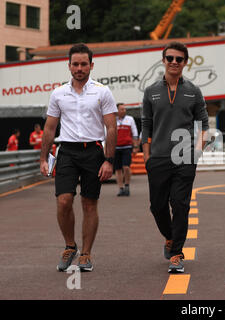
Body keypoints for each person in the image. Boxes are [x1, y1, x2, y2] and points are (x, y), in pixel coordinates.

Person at [39, 43, 117, 272]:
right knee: (63, 201)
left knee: (89, 203)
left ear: (91, 65)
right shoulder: (58, 93)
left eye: (84, 64)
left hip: (93, 151)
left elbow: (111, 128)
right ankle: (70, 246)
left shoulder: (102, 91)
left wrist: (108, 160)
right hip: (67, 152)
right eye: (75, 64)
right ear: (69, 65)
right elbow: (49, 129)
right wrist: (44, 158)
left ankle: (86, 254)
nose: (79, 68)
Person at [141, 41, 209, 273]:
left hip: (185, 158)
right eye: (170, 58)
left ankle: (177, 254)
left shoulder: (193, 91)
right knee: (157, 207)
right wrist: (147, 156)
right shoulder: (151, 92)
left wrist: (196, 153)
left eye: (179, 59)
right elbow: (146, 127)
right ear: (163, 61)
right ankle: (170, 238)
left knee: (180, 205)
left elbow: (204, 127)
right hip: (158, 158)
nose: (174, 62)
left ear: (185, 63)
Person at [114, 103, 139, 196]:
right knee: (118, 169)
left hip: (127, 147)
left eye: (124, 109)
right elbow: (107, 134)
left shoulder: (130, 119)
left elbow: (135, 133)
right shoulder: (112, 120)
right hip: (115, 147)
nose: (124, 110)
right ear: (117, 111)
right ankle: (121, 188)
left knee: (126, 167)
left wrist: (136, 146)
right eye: (122, 109)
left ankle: (127, 186)